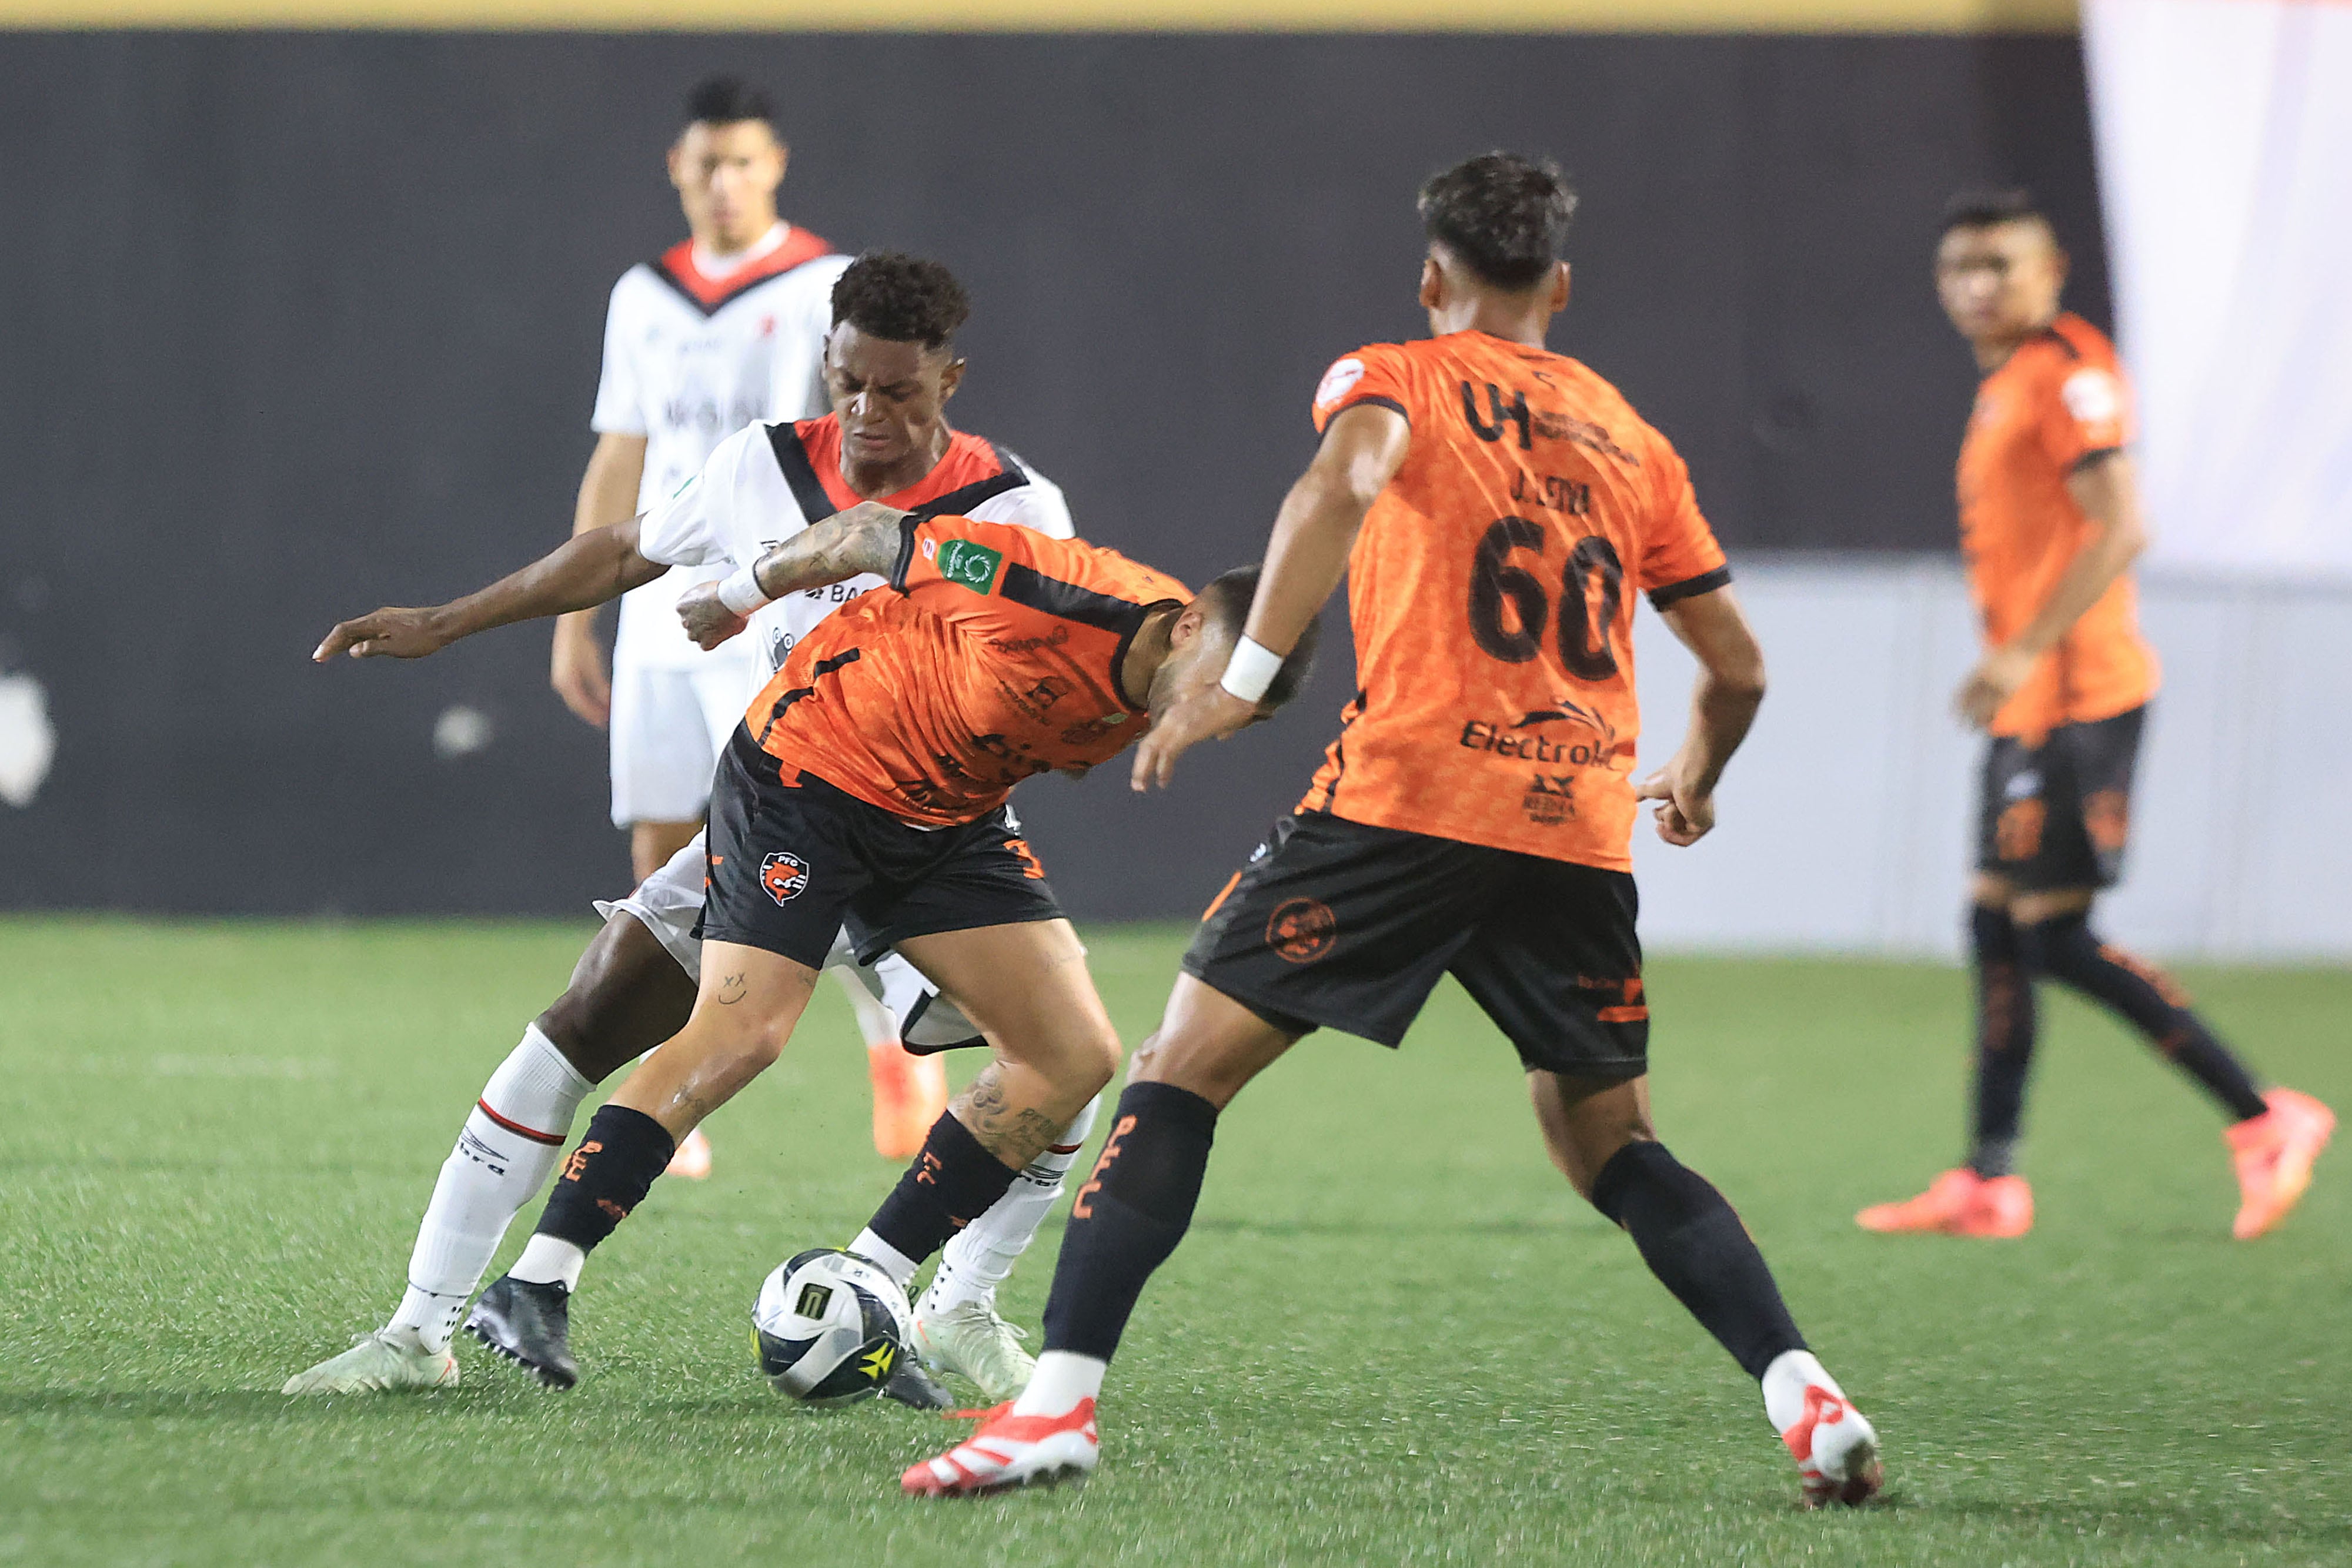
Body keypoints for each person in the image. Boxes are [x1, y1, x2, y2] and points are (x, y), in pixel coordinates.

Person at [906, 152, 1883, 1508]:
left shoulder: (1395, 376)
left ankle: (1056, 1406)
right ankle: (1804, 1391)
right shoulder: (1630, 439)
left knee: (1178, 1072)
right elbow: (1738, 668)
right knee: (1615, 1144)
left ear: (1432, 278)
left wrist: (1239, 683)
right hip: (1573, 818)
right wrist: (1695, 776)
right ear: (1559, 284)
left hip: (1410, 799)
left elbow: (1337, 485)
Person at [285, 254, 1097, 1403]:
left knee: (1069, 1062)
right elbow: (619, 551)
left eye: (899, 392)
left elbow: (1056, 662)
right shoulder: (758, 464)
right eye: (850, 382)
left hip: (931, 830)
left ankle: (957, 1300)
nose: (867, 413)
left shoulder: (1016, 505)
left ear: (950, 380)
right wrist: (448, 620)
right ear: (828, 361)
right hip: (785, 810)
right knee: (580, 1023)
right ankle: (422, 1328)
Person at [386, 498, 1318, 1393]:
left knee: (1072, 1058)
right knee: (744, 1032)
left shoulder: (1167, 692)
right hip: (811, 772)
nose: (1227, 714)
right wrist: (743, 590)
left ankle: (868, 1289)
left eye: (1253, 712)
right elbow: (874, 535)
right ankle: (535, 1283)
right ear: (1189, 626)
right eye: (1230, 686)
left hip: (945, 819)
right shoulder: (1058, 587)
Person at [1855, 192, 2333, 1243]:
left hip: (2078, 693)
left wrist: (2025, 645)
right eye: (1961, 267)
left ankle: (2264, 1116)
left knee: (2055, 937)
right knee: (1994, 922)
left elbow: (2125, 525)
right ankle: (1988, 1180)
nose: (1979, 285)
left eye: (2001, 264)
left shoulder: (2070, 373)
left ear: (2053, 268)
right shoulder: (2007, 383)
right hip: (2028, 699)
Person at [556, 73, 943, 1169]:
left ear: (773, 167)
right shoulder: (645, 295)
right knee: (662, 845)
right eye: (704, 163)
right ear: (677, 170)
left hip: (772, 604)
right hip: (658, 612)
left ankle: (902, 1043)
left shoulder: (823, 283)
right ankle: (667, 1077)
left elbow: (859, 446)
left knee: (819, 836)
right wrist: (573, 620)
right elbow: (620, 449)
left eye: (742, 162)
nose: (722, 181)